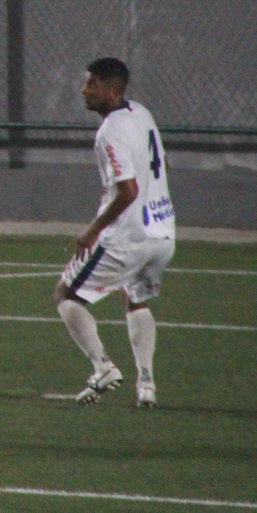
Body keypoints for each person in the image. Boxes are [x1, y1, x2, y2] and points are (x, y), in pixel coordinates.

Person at [57, 57, 175, 409]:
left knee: (66, 295)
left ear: (111, 91)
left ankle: (103, 367)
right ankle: (147, 385)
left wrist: (93, 230)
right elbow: (162, 165)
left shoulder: (110, 130)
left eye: (92, 84)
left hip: (128, 238)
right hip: (163, 234)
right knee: (134, 298)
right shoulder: (141, 112)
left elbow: (127, 190)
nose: (84, 89)